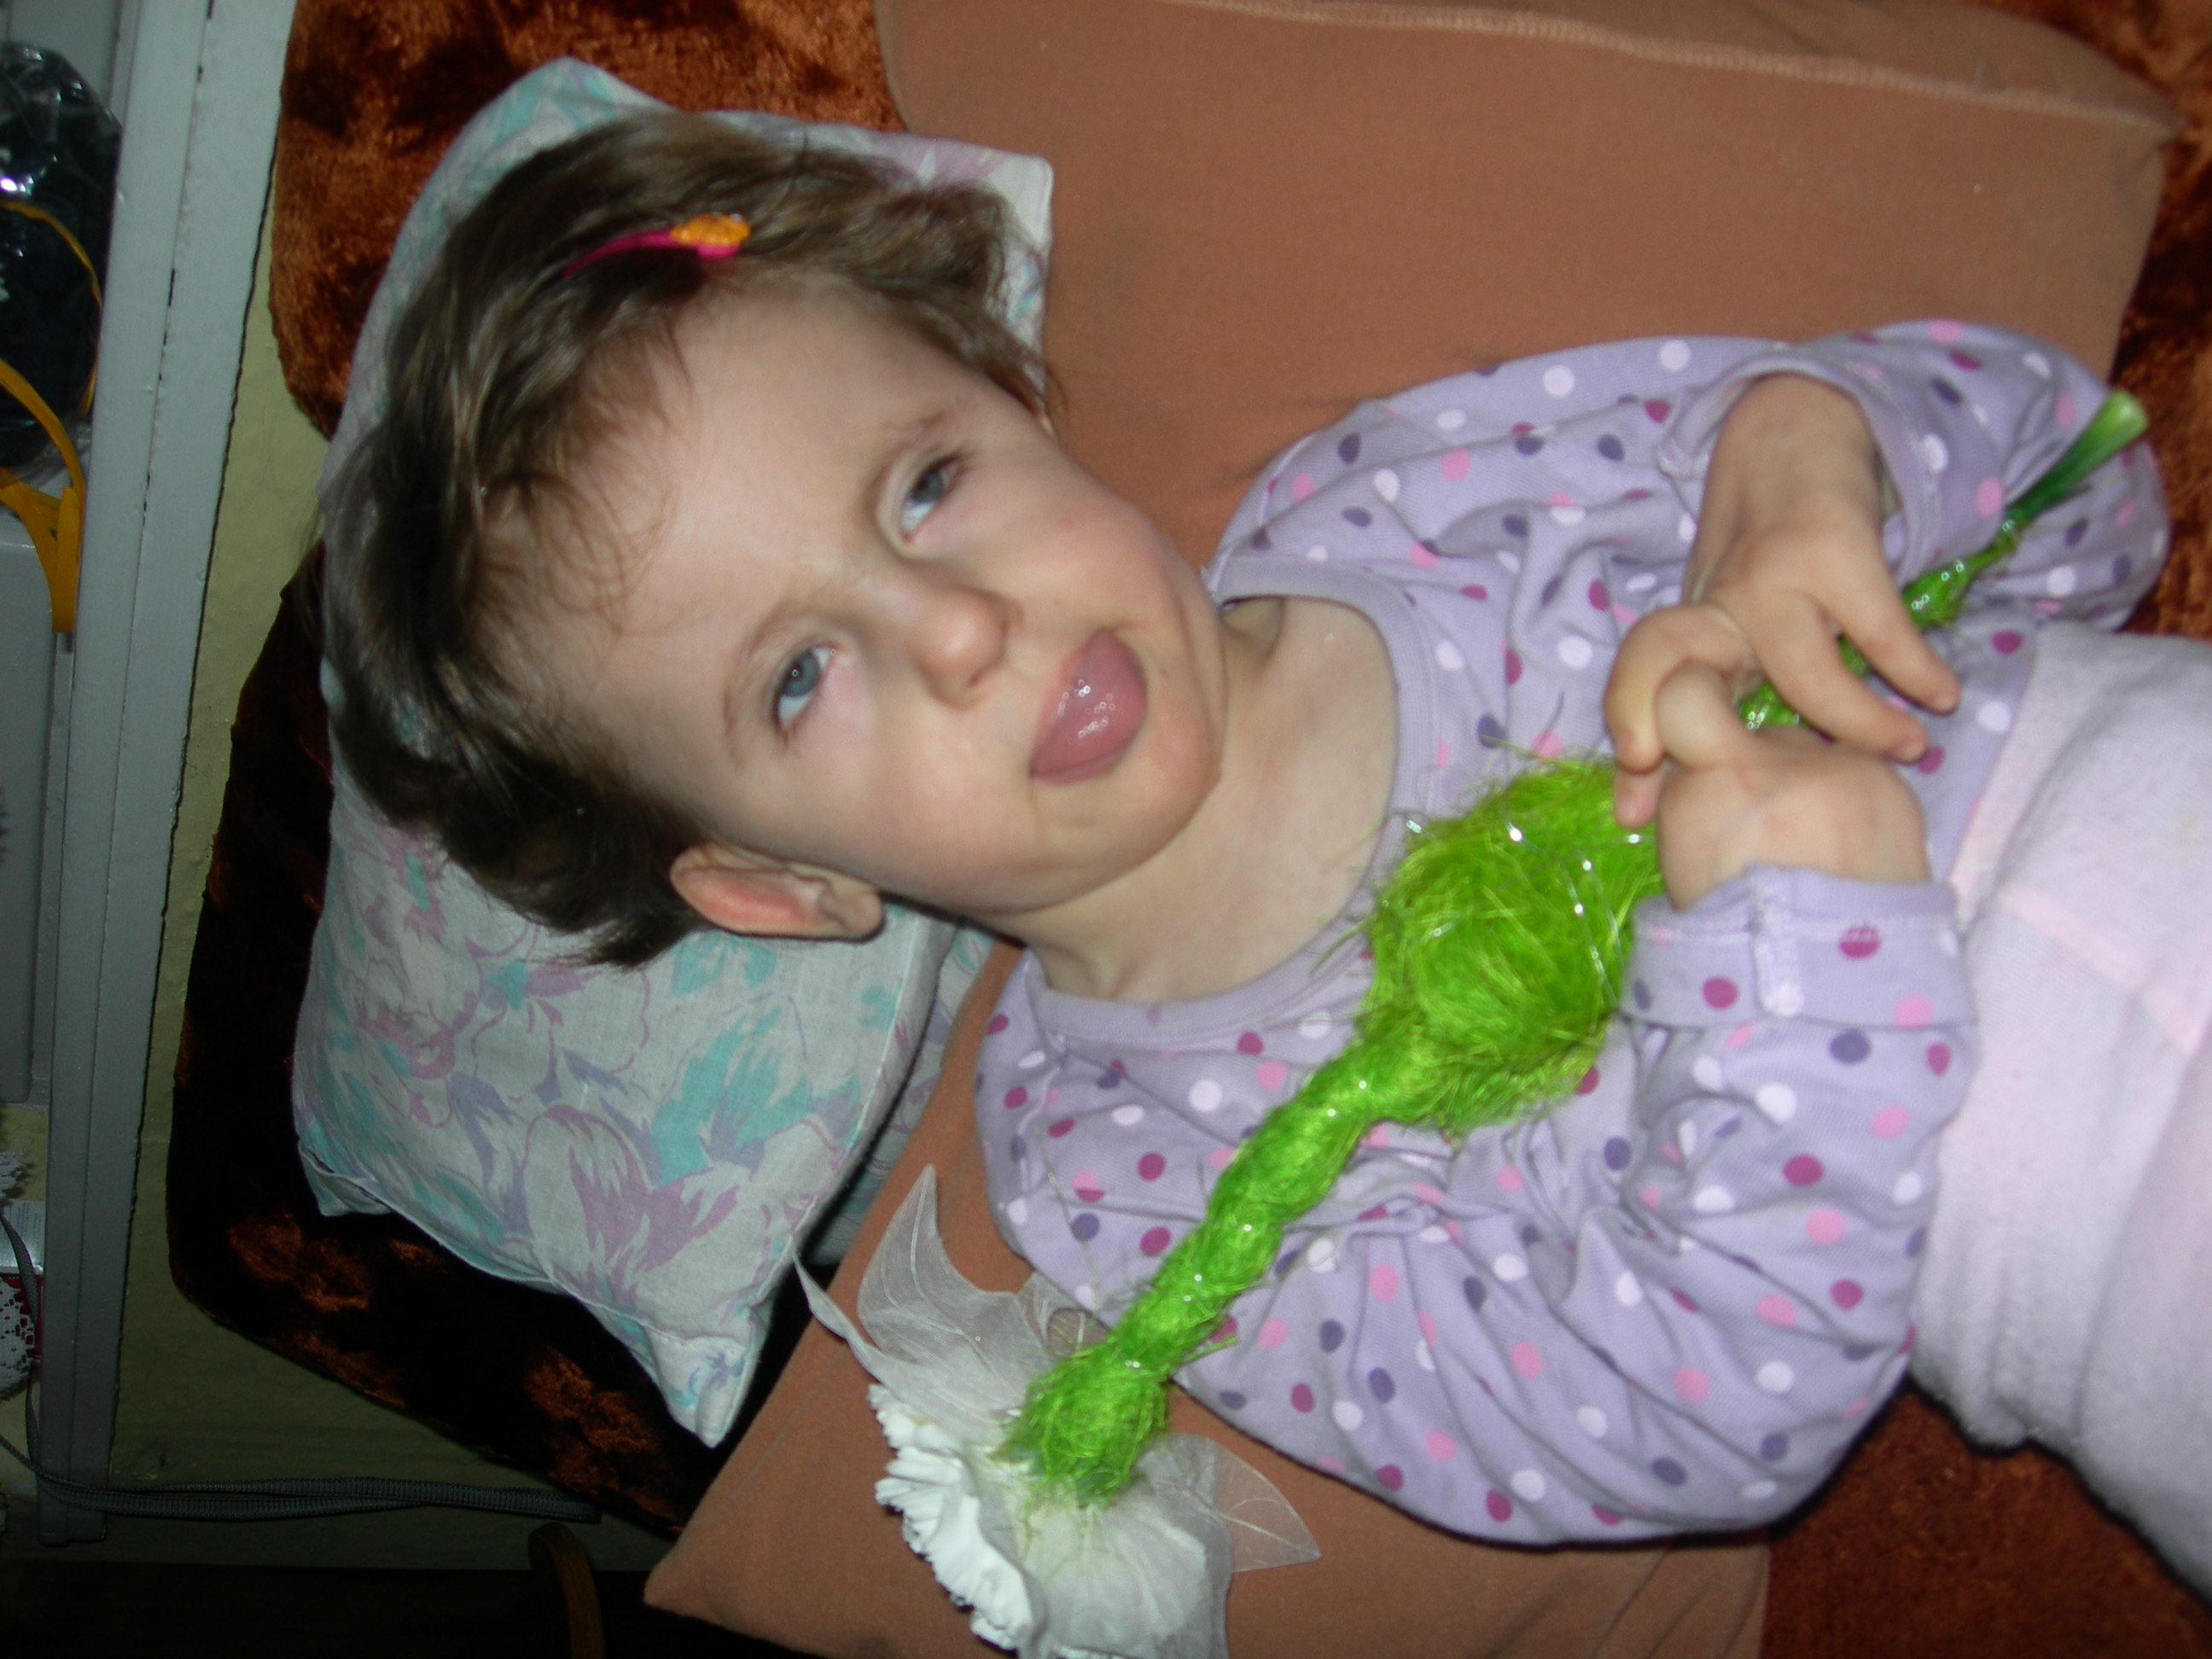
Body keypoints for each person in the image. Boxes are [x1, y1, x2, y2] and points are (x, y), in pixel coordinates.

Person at [325, 110, 2204, 1575]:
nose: (960, 627)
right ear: (775, 885)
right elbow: (1678, 1423)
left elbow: (2098, 496)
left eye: (928, 483)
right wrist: (1801, 960)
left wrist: (1817, 446)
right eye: (803, 677)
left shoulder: (1415, 497)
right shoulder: (1127, 1171)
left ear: (1014, 396)